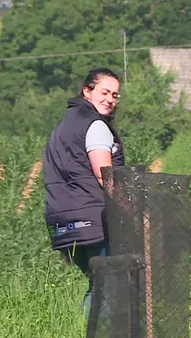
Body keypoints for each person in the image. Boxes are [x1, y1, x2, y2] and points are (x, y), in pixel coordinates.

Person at [43, 68, 125, 313]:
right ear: (87, 91)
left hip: (62, 222)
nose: (110, 99)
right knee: (109, 283)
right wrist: (130, 208)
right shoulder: (95, 125)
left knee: (98, 281)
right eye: (104, 92)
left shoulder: (63, 126)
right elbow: (104, 174)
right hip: (93, 220)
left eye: (115, 95)